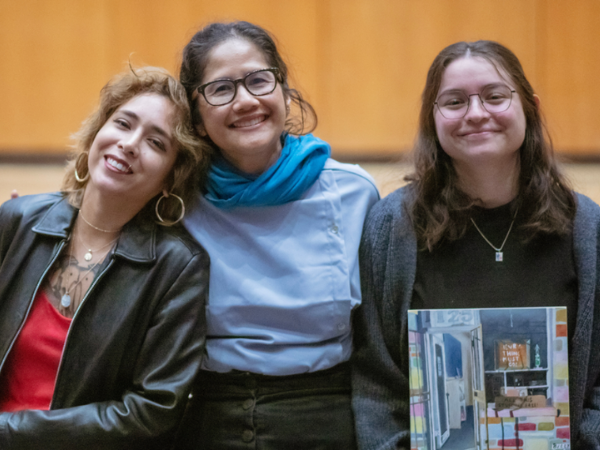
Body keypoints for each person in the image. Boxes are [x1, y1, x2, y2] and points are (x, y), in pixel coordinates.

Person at [352, 40, 600, 449]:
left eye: (495, 96)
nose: (477, 113)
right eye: (454, 102)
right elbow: (377, 382)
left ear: (530, 108)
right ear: (432, 120)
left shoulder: (586, 229)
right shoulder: (391, 227)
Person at [175, 21, 379, 449]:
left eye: (258, 80)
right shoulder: (176, 202)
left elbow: (380, 338)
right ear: (195, 115)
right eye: (221, 89)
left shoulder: (353, 193)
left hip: (325, 414)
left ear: (285, 92)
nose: (246, 101)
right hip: (207, 415)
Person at [0, 66, 210, 449]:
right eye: (123, 123)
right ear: (97, 132)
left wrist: (10, 433)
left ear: (170, 178)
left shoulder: (178, 267)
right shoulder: (16, 221)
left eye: (156, 143)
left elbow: (152, 410)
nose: (129, 144)